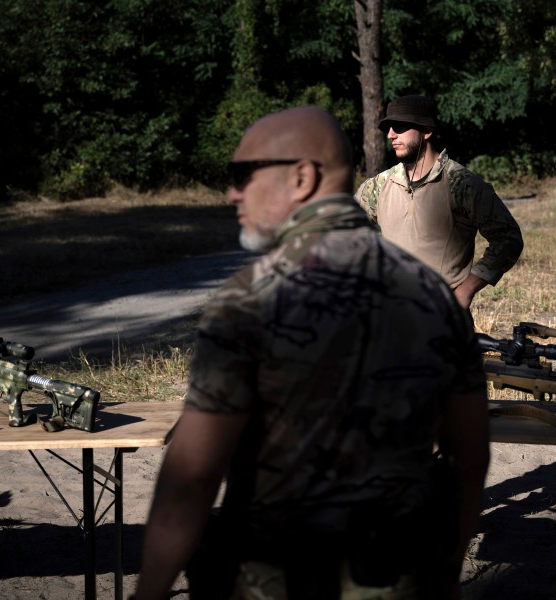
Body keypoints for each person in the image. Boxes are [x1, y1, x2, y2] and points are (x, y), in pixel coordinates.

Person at [133, 106, 490, 600]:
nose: (232, 193)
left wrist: (149, 592)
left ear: (301, 177)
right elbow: (470, 454)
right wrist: (445, 571)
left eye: (243, 175)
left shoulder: (249, 300)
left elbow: (192, 478)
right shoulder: (432, 295)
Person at [355, 95, 524, 310]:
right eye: (388, 128)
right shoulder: (379, 186)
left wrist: (466, 290)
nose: (390, 135)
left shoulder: (461, 184)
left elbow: (508, 238)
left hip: (441, 320)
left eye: (399, 127)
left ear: (426, 131)